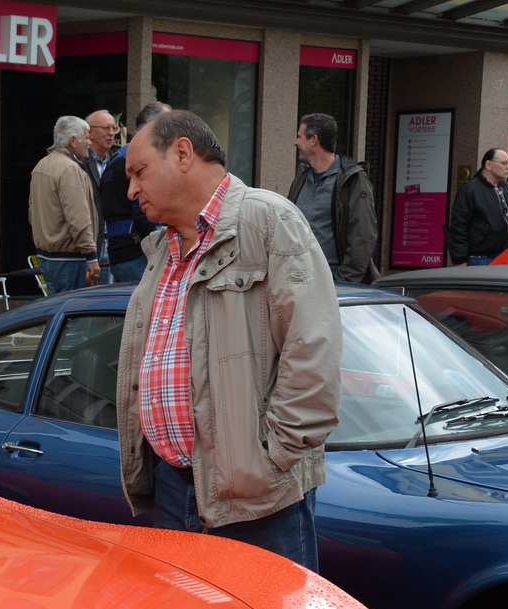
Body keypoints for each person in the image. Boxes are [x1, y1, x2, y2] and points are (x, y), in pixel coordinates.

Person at [115, 109, 341, 570]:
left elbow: (313, 351)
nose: (131, 190)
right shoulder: (162, 250)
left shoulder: (269, 221)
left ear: (182, 153)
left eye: (138, 172)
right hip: (175, 489)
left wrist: (269, 459)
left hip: (257, 499)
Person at [287, 112, 378, 283]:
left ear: (314, 140)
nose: (295, 142)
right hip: (299, 283)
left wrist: (342, 284)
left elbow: (362, 238)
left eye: (299, 137)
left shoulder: (353, 179)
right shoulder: (301, 178)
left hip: (334, 286)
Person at [28, 114, 99, 294]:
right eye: (87, 137)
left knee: (58, 313)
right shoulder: (70, 169)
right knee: (76, 318)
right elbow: (78, 218)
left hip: (47, 257)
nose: (90, 143)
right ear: (73, 141)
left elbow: (32, 214)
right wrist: (91, 256)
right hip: (70, 260)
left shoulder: (40, 166)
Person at [99, 101, 167, 286]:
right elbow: (144, 210)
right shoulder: (136, 158)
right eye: (167, 123)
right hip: (137, 252)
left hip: (120, 251)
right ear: (151, 124)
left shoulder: (118, 158)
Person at [447, 147, 508, 266]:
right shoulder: (470, 190)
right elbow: (458, 228)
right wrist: (460, 260)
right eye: (504, 163)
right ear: (488, 164)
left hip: (506, 257)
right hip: (478, 259)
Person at [83, 109, 118, 282]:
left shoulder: (116, 161)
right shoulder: (79, 162)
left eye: (113, 128)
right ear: (90, 132)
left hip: (112, 241)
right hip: (89, 245)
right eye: (106, 128)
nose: (111, 133)